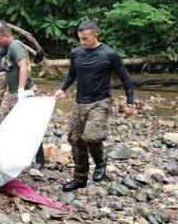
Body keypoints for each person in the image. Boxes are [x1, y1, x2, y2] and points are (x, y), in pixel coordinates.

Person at [54, 20, 135, 192]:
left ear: (95, 35)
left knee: (91, 136)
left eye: (85, 39)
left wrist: (130, 102)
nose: (82, 42)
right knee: (75, 139)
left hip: (100, 101)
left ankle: (100, 163)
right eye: (80, 39)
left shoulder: (109, 54)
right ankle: (80, 177)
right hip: (79, 103)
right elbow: (71, 75)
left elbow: (126, 78)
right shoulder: (76, 53)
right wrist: (62, 89)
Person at [0, 23, 45, 168]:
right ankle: (5, 155)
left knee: (30, 126)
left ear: (7, 36)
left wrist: (21, 91)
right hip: (11, 92)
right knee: (0, 123)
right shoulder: (8, 48)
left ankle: (40, 159)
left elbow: (23, 66)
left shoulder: (15, 45)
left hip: (22, 92)